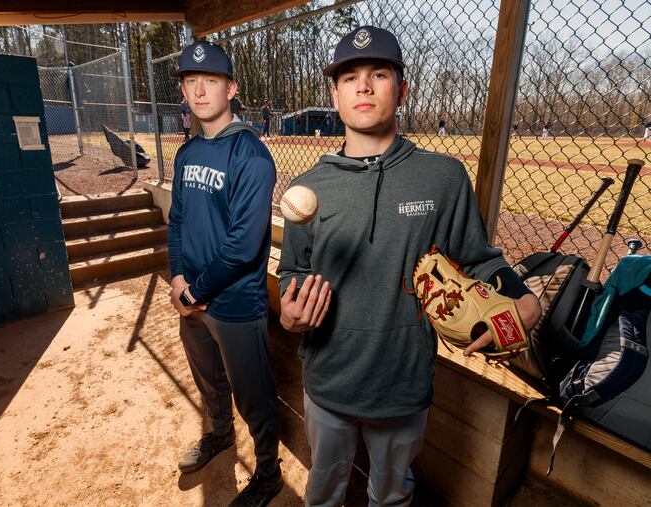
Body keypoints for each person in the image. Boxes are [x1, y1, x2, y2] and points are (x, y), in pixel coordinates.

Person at [276, 26, 541, 506]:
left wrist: (524, 299)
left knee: (392, 495)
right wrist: (289, 314)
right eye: (349, 76)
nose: (363, 86)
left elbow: (478, 258)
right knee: (324, 489)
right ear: (334, 93)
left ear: (402, 90)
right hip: (328, 377)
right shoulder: (309, 189)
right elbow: (294, 272)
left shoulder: (442, 177)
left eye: (378, 74)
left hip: (403, 380)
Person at [168, 40, 282, 507]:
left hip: (233, 304)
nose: (198, 90)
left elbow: (243, 245)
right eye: (190, 81)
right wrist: (177, 279)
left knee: (253, 395)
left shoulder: (250, 155)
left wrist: (195, 290)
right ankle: (218, 434)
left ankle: (269, 474)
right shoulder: (187, 151)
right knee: (208, 380)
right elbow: (176, 220)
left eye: (209, 81)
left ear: (230, 88)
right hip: (190, 297)